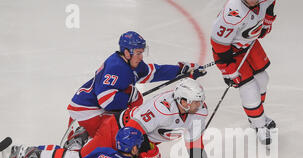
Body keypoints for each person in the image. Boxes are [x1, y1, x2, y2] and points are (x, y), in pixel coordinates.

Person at [10, 78, 215, 158]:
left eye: (199, 101)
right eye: (194, 102)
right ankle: (32, 152)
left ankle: (80, 135)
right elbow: (133, 130)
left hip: (135, 143)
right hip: (117, 132)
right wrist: (148, 149)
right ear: (181, 100)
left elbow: (195, 143)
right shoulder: (162, 108)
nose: (198, 106)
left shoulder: (199, 113)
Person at [63, 30, 206, 141]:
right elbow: (106, 100)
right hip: (87, 110)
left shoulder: (130, 63)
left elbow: (154, 72)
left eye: (142, 52)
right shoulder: (117, 67)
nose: (141, 56)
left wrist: (181, 71)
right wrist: (131, 95)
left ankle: (84, 135)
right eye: (138, 53)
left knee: (134, 105)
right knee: (112, 137)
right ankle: (80, 136)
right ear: (126, 52)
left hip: (89, 106)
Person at [211, 0, 277, 145]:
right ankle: (259, 126)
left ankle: (258, 116)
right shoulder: (232, 12)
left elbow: (270, 4)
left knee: (263, 79)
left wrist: (267, 21)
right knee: (249, 89)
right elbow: (218, 43)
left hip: (249, 44)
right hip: (229, 52)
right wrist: (227, 67)